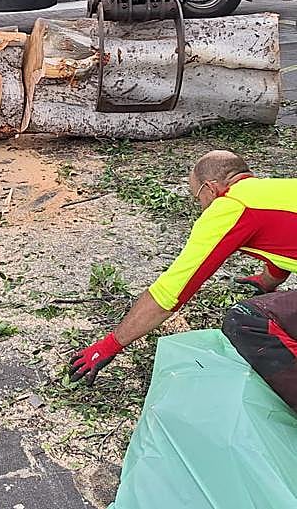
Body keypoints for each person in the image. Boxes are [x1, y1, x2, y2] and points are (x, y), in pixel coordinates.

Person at [70, 150, 297, 411]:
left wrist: (110, 344)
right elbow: (284, 245)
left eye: (197, 198)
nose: (199, 206)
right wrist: (267, 282)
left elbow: (172, 291)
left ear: (211, 189)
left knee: (246, 320)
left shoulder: (231, 206)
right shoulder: (274, 191)